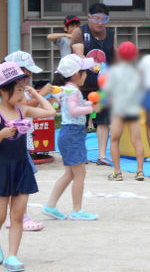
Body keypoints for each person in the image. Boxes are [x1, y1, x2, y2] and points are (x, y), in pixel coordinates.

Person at [0, 62, 55, 271]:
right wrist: (2, 135)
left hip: (22, 168)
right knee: (1, 215)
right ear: (4, 91)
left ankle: (12, 256)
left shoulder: (23, 110)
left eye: (24, 89)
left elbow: (49, 111)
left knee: (17, 215)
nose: (23, 94)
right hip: (2, 169)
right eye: (19, 90)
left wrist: (36, 93)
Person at [42, 54, 100, 222]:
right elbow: (74, 110)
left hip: (69, 134)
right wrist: (91, 108)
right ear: (76, 74)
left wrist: (90, 105)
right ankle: (77, 210)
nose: (87, 74)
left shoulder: (67, 89)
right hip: (73, 134)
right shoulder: (72, 90)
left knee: (69, 173)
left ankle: (51, 205)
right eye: (84, 71)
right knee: (79, 174)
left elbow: (71, 108)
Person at [3, 51, 51, 232]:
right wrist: (42, 94)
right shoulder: (11, 90)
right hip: (11, 148)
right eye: (27, 73)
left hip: (19, 143)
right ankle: (19, 217)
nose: (29, 77)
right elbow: (24, 106)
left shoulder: (18, 89)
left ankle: (19, 216)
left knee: (22, 179)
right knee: (22, 178)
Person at [70, 3, 116, 166]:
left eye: (104, 19)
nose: (100, 22)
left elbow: (115, 59)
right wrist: (92, 64)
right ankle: (80, 154)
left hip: (103, 87)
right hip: (82, 86)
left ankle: (102, 155)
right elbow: (79, 53)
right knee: (81, 121)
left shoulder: (110, 35)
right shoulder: (79, 32)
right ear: (89, 17)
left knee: (103, 120)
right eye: (96, 18)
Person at [102, 42, 145, 181]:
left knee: (114, 140)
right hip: (132, 107)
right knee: (137, 139)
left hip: (119, 108)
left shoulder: (114, 71)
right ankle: (140, 171)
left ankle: (117, 172)